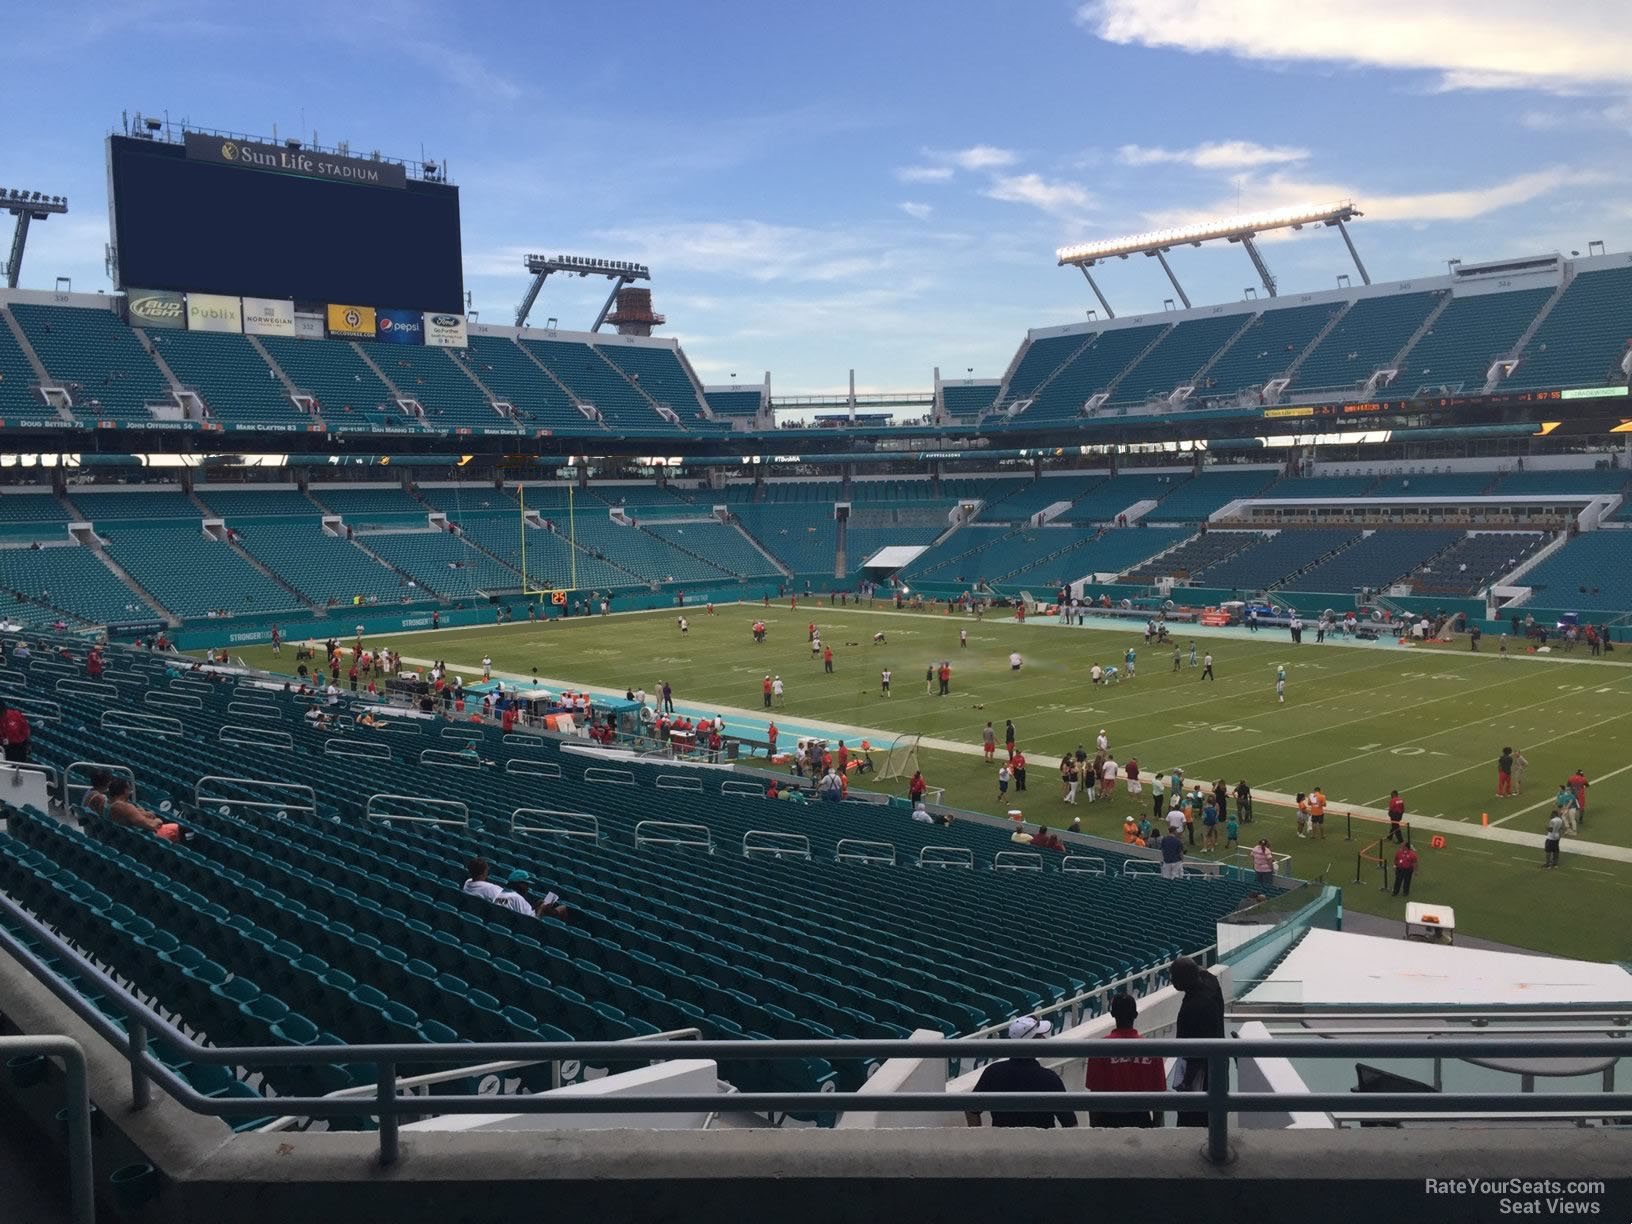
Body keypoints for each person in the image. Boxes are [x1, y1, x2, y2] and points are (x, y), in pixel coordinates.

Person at [965, 1016, 1077, 1129]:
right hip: (1041, 1144)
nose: (1044, 1039)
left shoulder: (993, 1072)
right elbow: (1071, 1124)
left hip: (1001, 1143)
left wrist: (979, 1139)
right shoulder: (1049, 1078)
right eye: (1038, 1036)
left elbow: (971, 1109)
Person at [1085, 994, 1166, 1128]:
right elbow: (1159, 1098)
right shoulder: (1152, 1049)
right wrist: (1156, 1131)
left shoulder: (1099, 1049)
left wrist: (1094, 1130)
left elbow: (1094, 1097)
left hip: (1108, 1121)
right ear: (1135, 1015)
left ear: (1112, 1014)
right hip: (1141, 1120)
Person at [1171, 956, 1225, 1127]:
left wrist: (1186, 1082)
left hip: (1201, 1077)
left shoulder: (1196, 1007)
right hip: (1218, 1067)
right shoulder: (1211, 981)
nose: (1171, 981)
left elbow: (1198, 1052)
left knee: (1194, 1121)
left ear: (1186, 977)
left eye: (1174, 976)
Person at [105, 779, 182, 842]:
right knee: (180, 829)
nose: (131, 791)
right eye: (129, 788)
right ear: (125, 791)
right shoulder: (125, 807)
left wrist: (142, 813)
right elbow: (151, 826)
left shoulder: (107, 802)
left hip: (123, 835)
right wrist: (158, 821)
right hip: (139, 837)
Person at [496, 870, 568, 918]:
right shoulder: (517, 898)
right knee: (562, 908)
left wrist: (535, 906)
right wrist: (541, 908)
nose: (528, 888)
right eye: (526, 884)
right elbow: (532, 921)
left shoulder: (499, 893)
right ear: (520, 884)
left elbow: (518, 908)